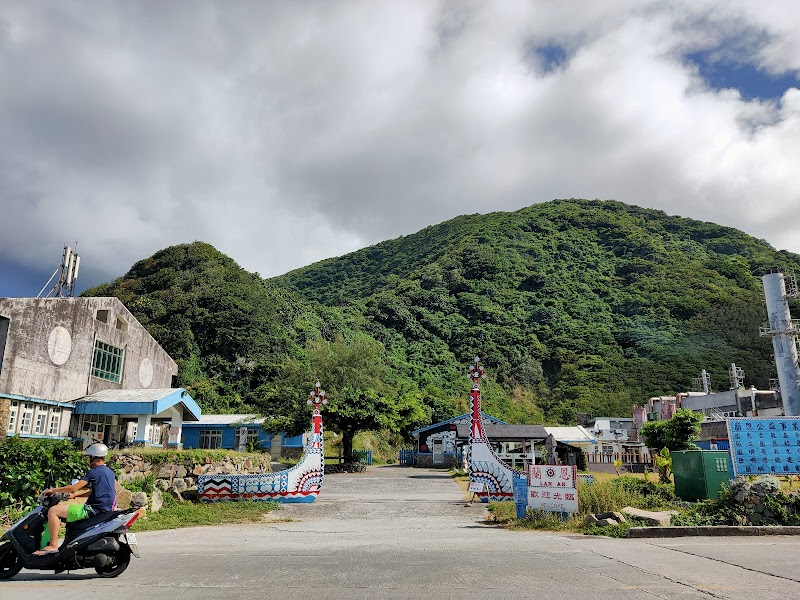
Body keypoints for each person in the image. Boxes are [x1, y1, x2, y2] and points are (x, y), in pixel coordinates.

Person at [34, 442, 116, 555]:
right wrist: (75, 496)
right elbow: (96, 492)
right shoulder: (109, 472)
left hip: (93, 509)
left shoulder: (95, 471)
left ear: (93, 457)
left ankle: (52, 545)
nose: (88, 460)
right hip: (105, 509)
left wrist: (54, 490)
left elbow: (74, 487)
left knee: (53, 511)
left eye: (89, 457)